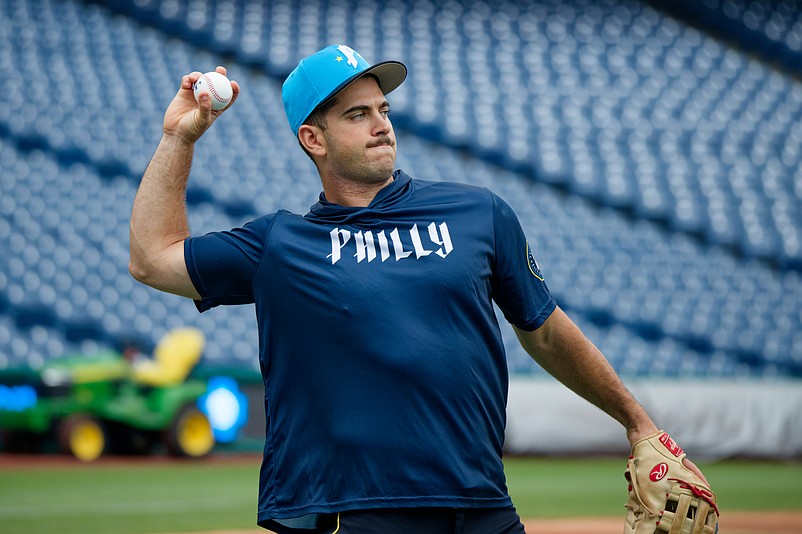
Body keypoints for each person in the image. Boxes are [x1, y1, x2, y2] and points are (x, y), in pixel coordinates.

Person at [129, 44, 711, 533]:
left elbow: (547, 330)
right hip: (351, 513)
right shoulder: (281, 245)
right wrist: (180, 138)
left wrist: (639, 424)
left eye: (382, 108)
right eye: (357, 114)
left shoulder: (477, 212)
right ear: (314, 138)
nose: (382, 123)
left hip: (481, 502)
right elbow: (153, 259)